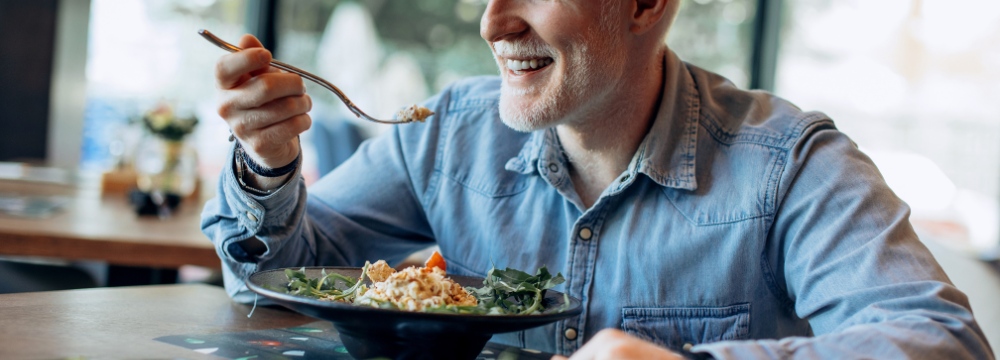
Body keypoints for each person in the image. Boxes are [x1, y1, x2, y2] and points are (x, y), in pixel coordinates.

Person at [202, 0, 994, 358]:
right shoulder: (446, 133)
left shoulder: (791, 166)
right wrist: (268, 166)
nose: (492, 21)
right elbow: (271, 277)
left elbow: (941, 344)